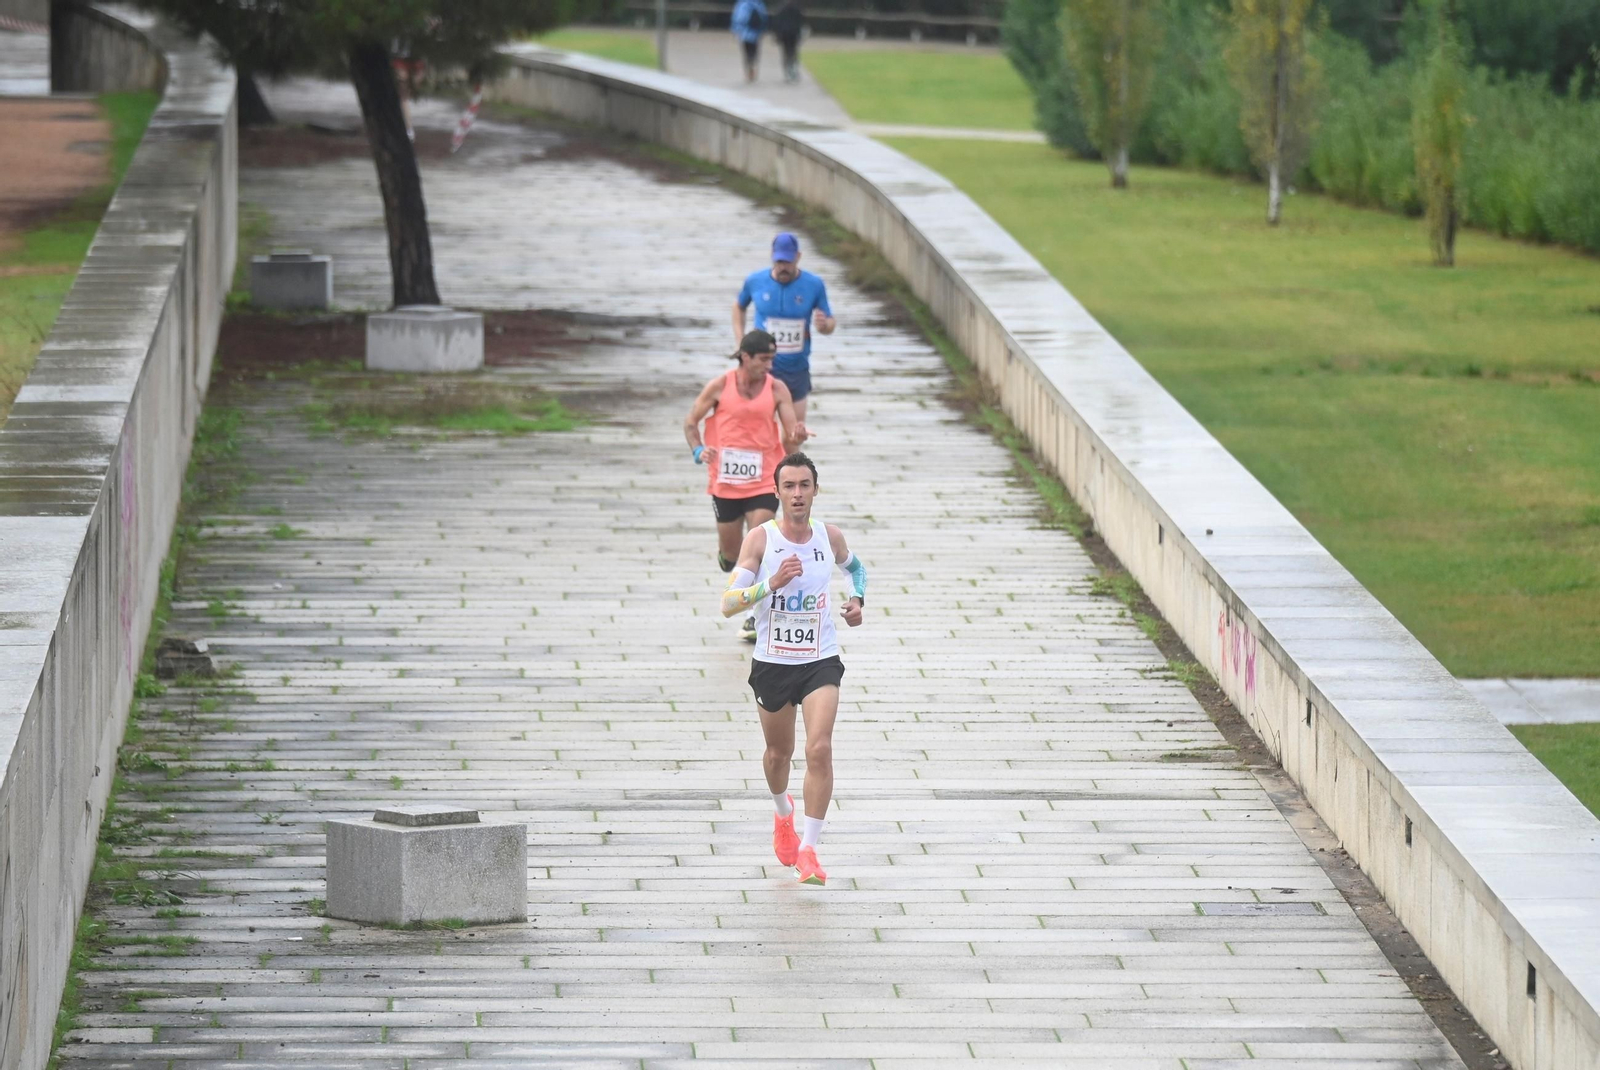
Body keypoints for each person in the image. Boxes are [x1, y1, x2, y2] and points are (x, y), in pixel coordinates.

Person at [720, 452, 867, 885]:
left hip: (820, 658)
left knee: (819, 748)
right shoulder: (761, 541)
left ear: (815, 490)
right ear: (778, 491)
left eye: (805, 485)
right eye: (789, 486)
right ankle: (783, 813)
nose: (798, 494)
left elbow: (856, 571)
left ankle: (810, 849)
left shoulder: (829, 536)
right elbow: (728, 604)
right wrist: (771, 584)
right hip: (773, 661)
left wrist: (857, 601)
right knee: (777, 755)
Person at [685, 330, 809, 641]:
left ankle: (755, 616)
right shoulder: (720, 385)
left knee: (760, 542)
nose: (769, 365)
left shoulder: (777, 388)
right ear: (745, 357)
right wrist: (699, 450)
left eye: (772, 359)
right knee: (732, 556)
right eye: (764, 359)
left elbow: (789, 436)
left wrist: (798, 436)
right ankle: (728, 556)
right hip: (725, 482)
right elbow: (690, 423)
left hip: (764, 478)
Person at [733, 232, 836, 426]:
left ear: (798, 257)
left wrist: (824, 325)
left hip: (796, 368)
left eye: (788, 262)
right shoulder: (755, 281)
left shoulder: (813, 285)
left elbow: (830, 323)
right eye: (779, 262)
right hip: (760, 368)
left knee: (795, 432)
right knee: (757, 427)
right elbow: (738, 306)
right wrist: (741, 340)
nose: (783, 268)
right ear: (772, 257)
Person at [730, 0, 769, 82]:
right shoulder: (759, 4)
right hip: (756, 34)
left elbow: (737, 18)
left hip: (745, 34)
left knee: (746, 52)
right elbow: (764, 17)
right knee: (754, 52)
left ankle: (748, 70)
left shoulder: (741, 4)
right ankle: (752, 67)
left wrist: (735, 31)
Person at [771, 0, 804, 83]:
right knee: (792, 52)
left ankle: (789, 72)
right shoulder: (796, 7)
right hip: (792, 34)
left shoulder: (781, 8)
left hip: (785, 34)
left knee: (787, 53)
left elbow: (776, 22)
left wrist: (777, 35)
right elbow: (800, 22)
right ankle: (792, 70)